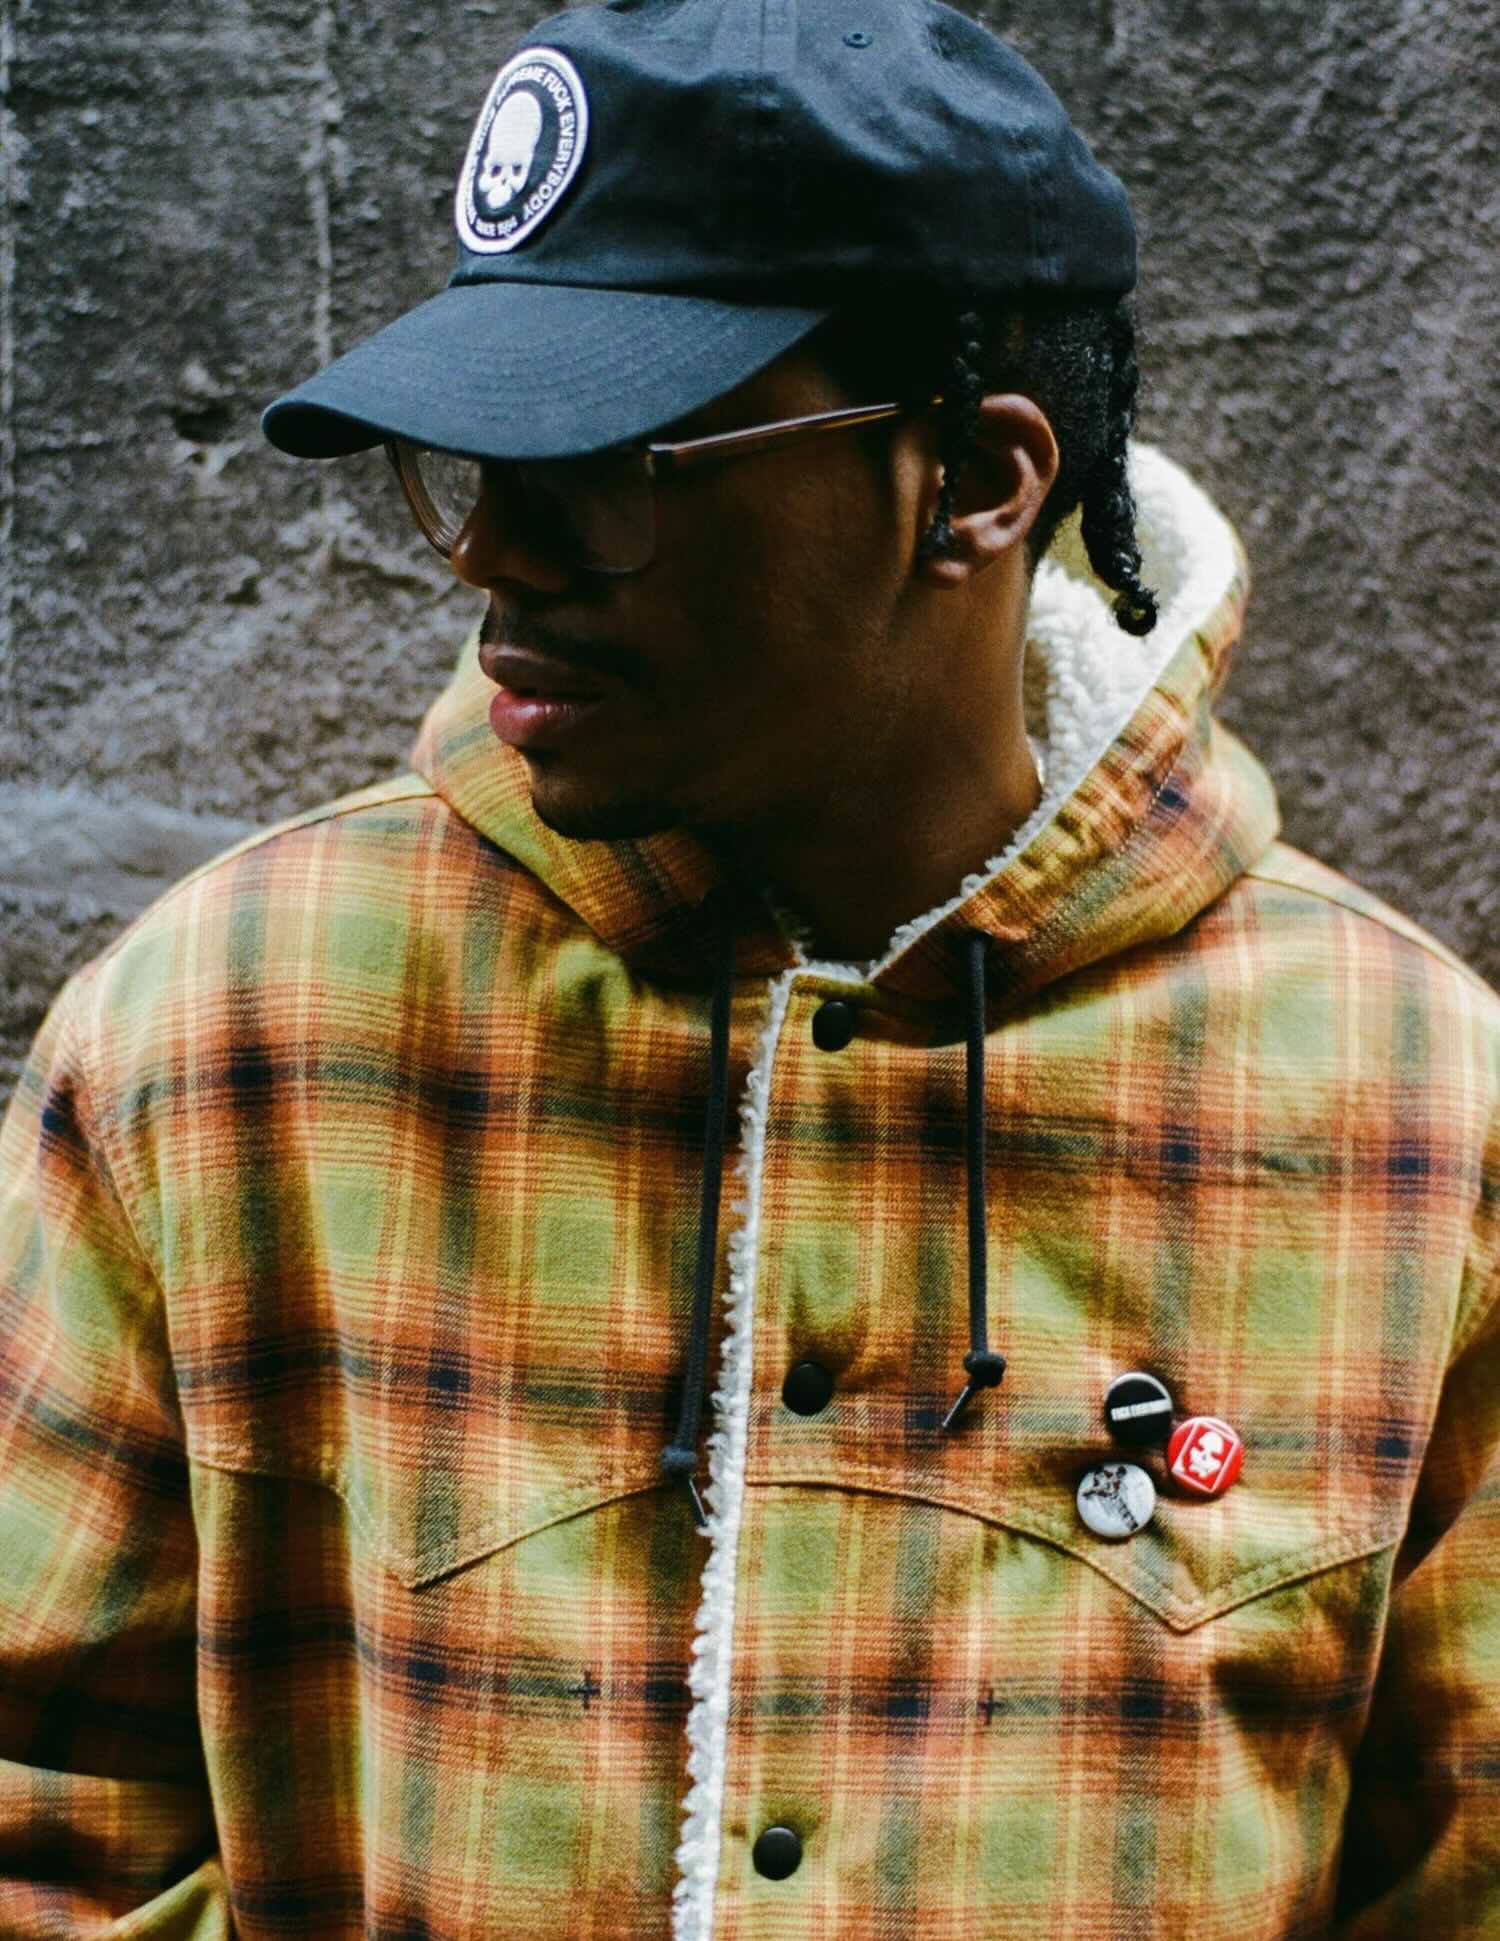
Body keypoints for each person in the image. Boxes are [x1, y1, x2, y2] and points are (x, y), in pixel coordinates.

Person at [0, 0, 1496, 1934]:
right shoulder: (227, 1037)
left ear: (976, 481)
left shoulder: (1417, 1115)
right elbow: (38, 1825)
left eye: (613, 464)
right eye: (469, 459)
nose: (494, 552)